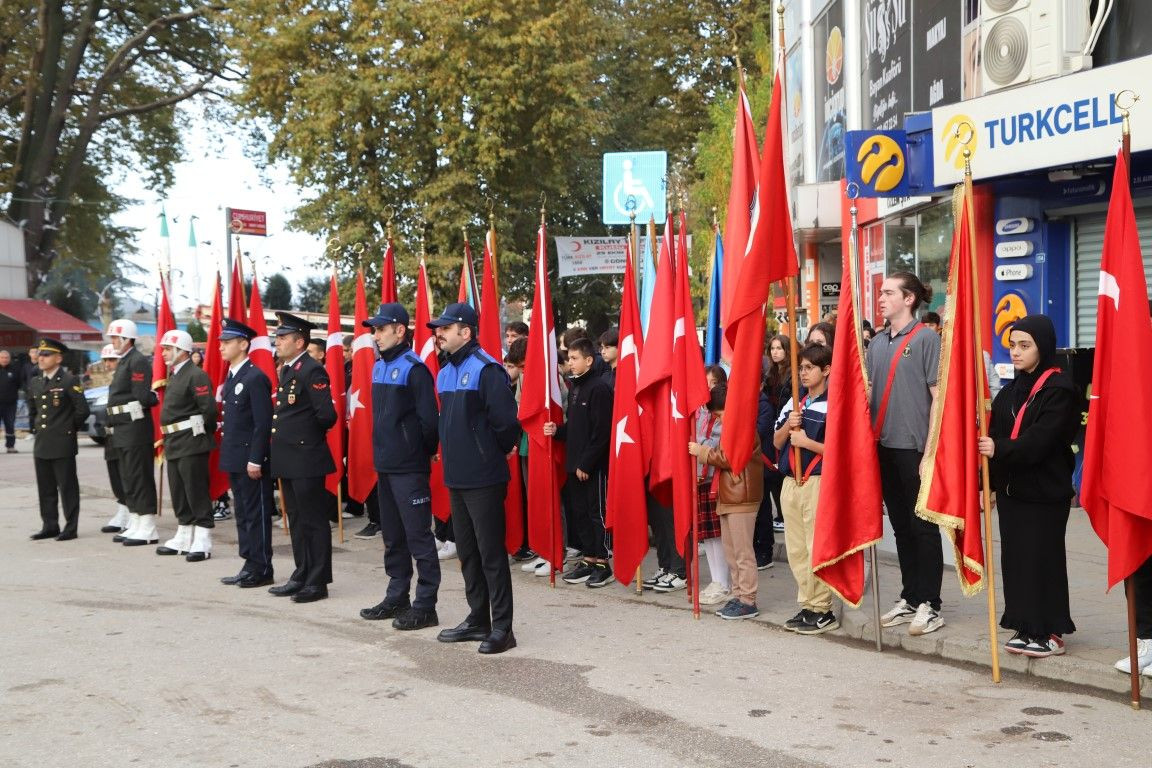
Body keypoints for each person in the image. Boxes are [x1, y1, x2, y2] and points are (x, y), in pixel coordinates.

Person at [978, 315, 1078, 658]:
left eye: (1025, 346)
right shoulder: (1010, 391)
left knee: (1043, 559)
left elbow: (1042, 440)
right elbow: (996, 433)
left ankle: (1050, 630)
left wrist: (1000, 449)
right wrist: (985, 481)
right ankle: (1024, 624)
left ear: (1043, 347)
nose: (1016, 353)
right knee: (1017, 560)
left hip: (1045, 493)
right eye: (1012, 345)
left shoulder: (1060, 389)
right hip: (1013, 492)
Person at [428, 302, 521, 654]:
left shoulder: (486, 369)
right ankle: (477, 617)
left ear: (465, 332)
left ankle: (503, 628)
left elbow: (506, 424)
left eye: (445, 328)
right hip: (457, 475)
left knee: (490, 553)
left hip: (483, 476)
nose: (439, 334)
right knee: (467, 551)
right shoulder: (445, 369)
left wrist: (491, 451)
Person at [868, 272, 944, 636]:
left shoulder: (927, 338)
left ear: (909, 298)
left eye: (888, 293)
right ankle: (911, 595)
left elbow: (937, 398)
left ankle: (931, 603)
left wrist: (931, 447)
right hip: (882, 446)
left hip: (914, 448)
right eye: (881, 292)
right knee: (899, 527)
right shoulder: (877, 342)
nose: (880, 298)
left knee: (923, 527)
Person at [359, 302, 442, 631]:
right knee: (393, 537)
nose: (375, 335)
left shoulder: (413, 367)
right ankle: (397, 596)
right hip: (387, 466)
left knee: (418, 537)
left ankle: (425, 604)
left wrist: (416, 454)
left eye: (381, 329)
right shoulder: (380, 365)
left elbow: (429, 422)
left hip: (409, 468)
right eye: (374, 330)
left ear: (399, 330)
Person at [268, 312, 338, 603]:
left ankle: (317, 581)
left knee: (313, 521)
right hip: (289, 456)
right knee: (295, 519)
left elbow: (327, 416)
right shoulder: (287, 369)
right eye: (277, 337)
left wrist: (303, 439)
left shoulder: (312, 369)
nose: (278, 342)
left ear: (299, 342)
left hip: (306, 456)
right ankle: (302, 573)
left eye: (283, 338)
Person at [774, 343, 838, 635]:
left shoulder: (834, 402)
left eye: (809, 367)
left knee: (816, 546)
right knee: (797, 549)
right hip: (791, 481)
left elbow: (840, 451)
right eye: (800, 367)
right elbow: (776, 442)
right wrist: (789, 426)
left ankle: (823, 607)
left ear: (826, 370)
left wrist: (807, 443)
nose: (803, 373)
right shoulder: (794, 402)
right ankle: (808, 603)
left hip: (817, 480)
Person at [545, 338, 615, 588]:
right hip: (574, 465)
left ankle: (602, 563)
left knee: (597, 514)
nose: (570, 363)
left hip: (592, 467)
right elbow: (577, 428)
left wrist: (586, 463)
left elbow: (601, 432)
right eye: (569, 358)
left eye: (575, 359)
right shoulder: (576, 388)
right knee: (579, 514)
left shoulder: (599, 389)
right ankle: (588, 558)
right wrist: (558, 431)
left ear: (589, 360)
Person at [689, 385, 764, 620]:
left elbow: (730, 458)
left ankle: (748, 600)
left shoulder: (742, 427)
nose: (717, 420)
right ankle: (738, 594)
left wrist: (702, 451)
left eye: (719, 415)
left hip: (742, 495)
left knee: (742, 552)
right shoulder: (733, 426)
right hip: (729, 494)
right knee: (731, 552)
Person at [216, 319, 277, 588]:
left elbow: (262, 423)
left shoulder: (255, 377)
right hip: (234, 457)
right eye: (221, 342)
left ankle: (263, 566)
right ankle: (249, 562)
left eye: (227, 342)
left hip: (250, 460)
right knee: (242, 513)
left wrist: (256, 458)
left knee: (256, 514)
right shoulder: (232, 376)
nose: (221, 347)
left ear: (243, 344)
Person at [154, 330, 218, 562]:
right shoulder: (176, 375)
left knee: (196, 491)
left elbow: (208, 410)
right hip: (174, 442)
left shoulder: (195, 375)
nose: (162, 353)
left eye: (167, 349)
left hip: (192, 442)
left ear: (181, 351)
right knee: (180, 493)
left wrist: (201, 433)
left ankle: (202, 540)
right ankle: (183, 536)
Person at [27, 339, 89, 541]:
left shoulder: (68, 380)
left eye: (46, 355)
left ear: (58, 358)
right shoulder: (36, 381)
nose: (41, 358)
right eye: (40, 354)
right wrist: (34, 429)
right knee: (45, 488)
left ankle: (71, 527)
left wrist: (68, 430)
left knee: (67, 487)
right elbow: (33, 409)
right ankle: (49, 525)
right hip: (42, 442)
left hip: (62, 442)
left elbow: (82, 410)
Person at [105, 318, 160, 546]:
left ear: (127, 339)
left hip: (135, 428)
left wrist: (154, 398)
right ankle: (136, 520)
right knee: (129, 478)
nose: (113, 342)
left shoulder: (136, 361)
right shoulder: (126, 361)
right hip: (124, 428)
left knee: (139, 477)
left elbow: (142, 394)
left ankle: (147, 525)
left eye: (116, 338)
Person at [96, 344, 132, 534]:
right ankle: (122, 509)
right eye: (106, 360)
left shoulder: (127, 379)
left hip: (124, 432)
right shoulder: (113, 381)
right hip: (111, 434)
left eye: (112, 360)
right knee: (115, 476)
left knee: (126, 476)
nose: (109, 364)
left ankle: (131, 513)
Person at [763, 334, 793, 535]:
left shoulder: (792, 374)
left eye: (779, 348)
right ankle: (780, 515)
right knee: (772, 474)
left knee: (781, 473)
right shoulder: (770, 374)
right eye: (773, 348)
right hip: (771, 426)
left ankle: (784, 515)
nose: (775, 352)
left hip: (785, 425)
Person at [0, 348, 25, 453]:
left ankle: (10, 446)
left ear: (9, 359)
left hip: (10, 404)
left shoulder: (14, 370)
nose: (4, 359)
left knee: (10, 425)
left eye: (6, 358)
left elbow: (20, 384)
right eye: (2, 357)